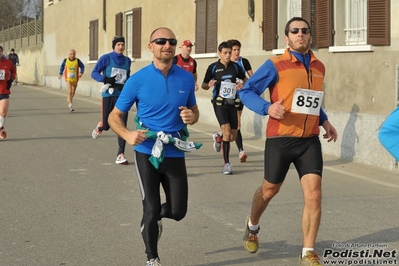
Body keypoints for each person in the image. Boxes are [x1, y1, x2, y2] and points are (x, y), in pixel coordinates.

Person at [239, 17, 338, 266]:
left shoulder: (319, 66)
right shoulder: (275, 64)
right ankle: (252, 226)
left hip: (309, 140)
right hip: (281, 138)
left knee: (314, 195)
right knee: (270, 190)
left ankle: (307, 252)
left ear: (310, 36)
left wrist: (324, 121)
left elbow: (313, 99)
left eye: (305, 31)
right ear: (287, 38)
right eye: (295, 31)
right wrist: (266, 108)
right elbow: (246, 91)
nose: (300, 34)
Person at [108, 27, 199, 266]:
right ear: (151, 46)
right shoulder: (137, 80)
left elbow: (194, 109)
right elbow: (114, 117)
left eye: (171, 41)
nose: (166, 45)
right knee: (150, 206)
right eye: (161, 41)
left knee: (178, 211)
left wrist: (192, 116)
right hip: (147, 152)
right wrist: (127, 134)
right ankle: (152, 257)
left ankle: (153, 218)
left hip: (174, 150)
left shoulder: (186, 78)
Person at [201, 41, 247, 175]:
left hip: (232, 103)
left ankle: (218, 135)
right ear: (219, 53)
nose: (228, 55)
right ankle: (226, 164)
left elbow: (245, 80)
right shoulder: (213, 67)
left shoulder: (236, 67)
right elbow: (204, 84)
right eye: (225, 53)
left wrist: (241, 85)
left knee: (232, 136)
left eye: (230, 52)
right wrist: (208, 84)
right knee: (227, 132)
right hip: (219, 103)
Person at [91, 36, 132, 165]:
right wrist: (105, 79)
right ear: (114, 46)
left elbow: (127, 77)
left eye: (122, 44)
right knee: (107, 125)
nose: (120, 47)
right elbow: (94, 73)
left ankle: (120, 154)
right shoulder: (106, 58)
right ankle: (101, 125)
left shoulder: (127, 60)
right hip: (108, 94)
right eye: (118, 44)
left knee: (122, 125)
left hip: (122, 96)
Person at [228, 39, 253, 162]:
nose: (236, 52)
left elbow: (251, 78)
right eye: (234, 50)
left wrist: (244, 84)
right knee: (228, 124)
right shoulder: (225, 64)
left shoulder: (244, 62)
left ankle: (241, 151)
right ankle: (219, 134)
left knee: (237, 123)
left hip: (240, 96)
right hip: (227, 97)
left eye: (238, 49)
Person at [0, 46, 17, 140]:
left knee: (3, 112)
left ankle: (0, 127)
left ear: (2, 52)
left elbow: (14, 71)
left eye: (0, 51)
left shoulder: (8, 62)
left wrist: (11, 79)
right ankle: (1, 128)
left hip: (3, 90)